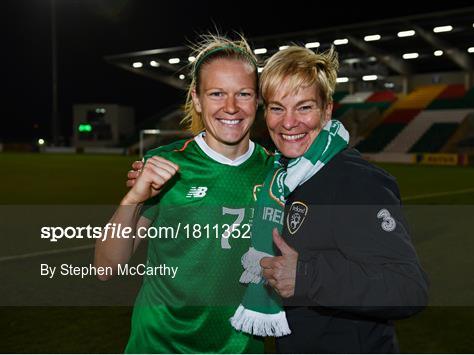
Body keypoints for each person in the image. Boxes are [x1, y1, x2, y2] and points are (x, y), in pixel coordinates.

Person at [238, 45, 429, 353]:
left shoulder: (357, 181)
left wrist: (307, 278)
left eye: (304, 107)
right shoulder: (283, 178)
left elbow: (408, 288)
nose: (288, 123)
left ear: (326, 110)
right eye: (277, 108)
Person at [94, 34, 272, 353]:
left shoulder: (275, 173)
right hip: (159, 344)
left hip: (239, 347)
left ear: (257, 99)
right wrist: (132, 200)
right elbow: (107, 268)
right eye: (216, 93)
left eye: (243, 94)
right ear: (197, 99)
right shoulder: (166, 165)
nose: (230, 107)